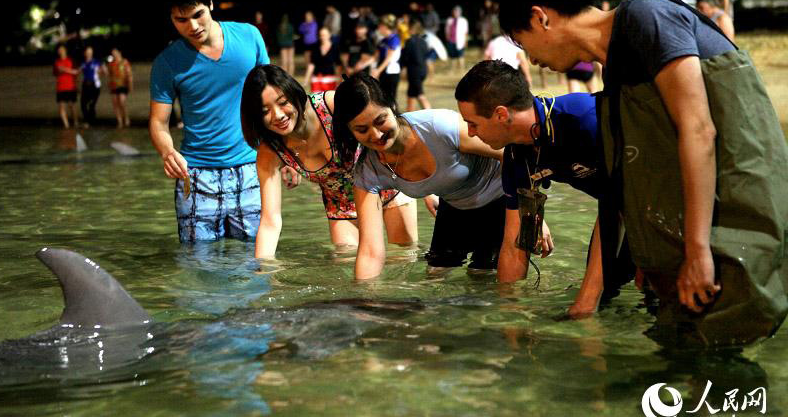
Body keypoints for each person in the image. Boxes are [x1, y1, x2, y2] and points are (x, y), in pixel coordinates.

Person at [499, 0, 788, 346]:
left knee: (713, 350)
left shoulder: (645, 16)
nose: (531, 60)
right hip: (707, 228)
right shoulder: (616, 71)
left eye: (523, 43)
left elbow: (699, 129)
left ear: (541, 17)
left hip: (740, 217)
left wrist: (698, 251)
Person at [456, 60, 636, 317]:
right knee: (607, 297)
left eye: (473, 123)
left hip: (658, 199)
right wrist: (509, 312)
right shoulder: (518, 156)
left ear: (501, 114)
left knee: (631, 291)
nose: (471, 133)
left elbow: (617, 203)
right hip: (620, 211)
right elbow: (514, 242)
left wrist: (585, 301)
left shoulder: (583, 118)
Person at [332, 72, 543, 280]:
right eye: (361, 129)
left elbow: (514, 154)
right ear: (350, 131)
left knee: (483, 277)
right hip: (454, 207)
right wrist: (364, 299)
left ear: (392, 107)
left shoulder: (439, 126)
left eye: (380, 120)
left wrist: (530, 215)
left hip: (502, 200)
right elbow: (370, 251)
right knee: (435, 277)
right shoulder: (367, 171)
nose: (376, 135)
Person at [240, 64, 418, 257]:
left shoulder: (332, 105)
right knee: (347, 269)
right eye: (265, 111)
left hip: (386, 184)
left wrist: (424, 186)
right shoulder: (271, 151)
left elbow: (390, 128)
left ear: (294, 93)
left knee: (403, 258)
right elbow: (270, 221)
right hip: (342, 204)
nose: (278, 115)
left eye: (283, 102)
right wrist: (263, 270)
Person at [149, 0, 268, 243]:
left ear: (211, 4)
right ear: (171, 18)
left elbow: (270, 100)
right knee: (197, 265)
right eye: (181, 20)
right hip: (196, 176)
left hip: (251, 167)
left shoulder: (249, 37)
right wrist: (167, 152)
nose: (192, 26)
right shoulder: (167, 63)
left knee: (256, 262)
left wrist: (286, 153)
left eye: (198, 14)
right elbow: (158, 123)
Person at [400, 18, 432, 111]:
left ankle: (431, 115)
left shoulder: (409, 41)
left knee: (420, 95)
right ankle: (408, 117)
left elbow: (405, 57)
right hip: (422, 70)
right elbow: (426, 55)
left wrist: (402, 68)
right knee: (411, 95)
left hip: (414, 72)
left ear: (412, 29)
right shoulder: (423, 41)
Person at [371, 14, 402, 107]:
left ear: (384, 26)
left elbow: (389, 58)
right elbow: (375, 57)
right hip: (383, 72)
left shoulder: (394, 39)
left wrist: (378, 70)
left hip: (391, 72)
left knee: (390, 99)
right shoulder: (383, 40)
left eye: (380, 26)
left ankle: (395, 118)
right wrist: (362, 65)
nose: (378, 28)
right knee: (382, 98)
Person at [304, 26, 341, 93]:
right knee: (315, 101)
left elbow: (338, 65)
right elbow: (311, 64)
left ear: (329, 35)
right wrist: (306, 79)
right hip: (316, 80)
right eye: (321, 35)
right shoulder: (315, 48)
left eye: (324, 35)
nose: (322, 37)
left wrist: (339, 79)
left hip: (330, 80)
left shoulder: (335, 48)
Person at [105, 47, 133, 128]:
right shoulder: (111, 63)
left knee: (122, 101)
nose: (114, 54)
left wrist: (130, 85)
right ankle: (119, 121)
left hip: (123, 85)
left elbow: (129, 74)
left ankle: (126, 118)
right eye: (113, 53)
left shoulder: (124, 62)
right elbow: (109, 74)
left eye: (115, 52)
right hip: (113, 85)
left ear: (119, 52)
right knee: (115, 103)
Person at [53, 44, 79, 129]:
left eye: (62, 50)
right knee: (61, 107)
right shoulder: (57, 62)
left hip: (70, 86)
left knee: (72, 106)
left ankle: (75, 122)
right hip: (60, 88)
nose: (61, 51)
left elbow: (76, 72)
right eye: (59, 50)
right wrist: (60, 71)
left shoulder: (71, 60)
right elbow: (55, 73)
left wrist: (64, 69)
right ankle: (66, 126)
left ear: (65, 50)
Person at [79, 46, 102, 126]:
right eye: (87, 51)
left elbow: (101, 71)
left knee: (92, 103)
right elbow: (78, 72)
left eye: (90, 51)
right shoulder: (83, 63)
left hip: (94, 85)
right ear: (85, 53)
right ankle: (87, 121)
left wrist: (102, 71)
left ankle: (92, 121)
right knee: (83, 103)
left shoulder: (96, 62)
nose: (89, 53)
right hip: (85, 84)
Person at [445, 5, 468, 71]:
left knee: (461, 56)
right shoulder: (449, 20)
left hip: (460, 41)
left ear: (460, 12)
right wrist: (447, 38)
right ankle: (452, 69)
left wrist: (465, 41)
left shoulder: (463, 20)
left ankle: (462, 69)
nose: (455, 13)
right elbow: (447, 30)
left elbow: (466, 32)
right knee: (452, 56)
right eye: (454, 11)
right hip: (451, 40)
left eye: (457, 12)